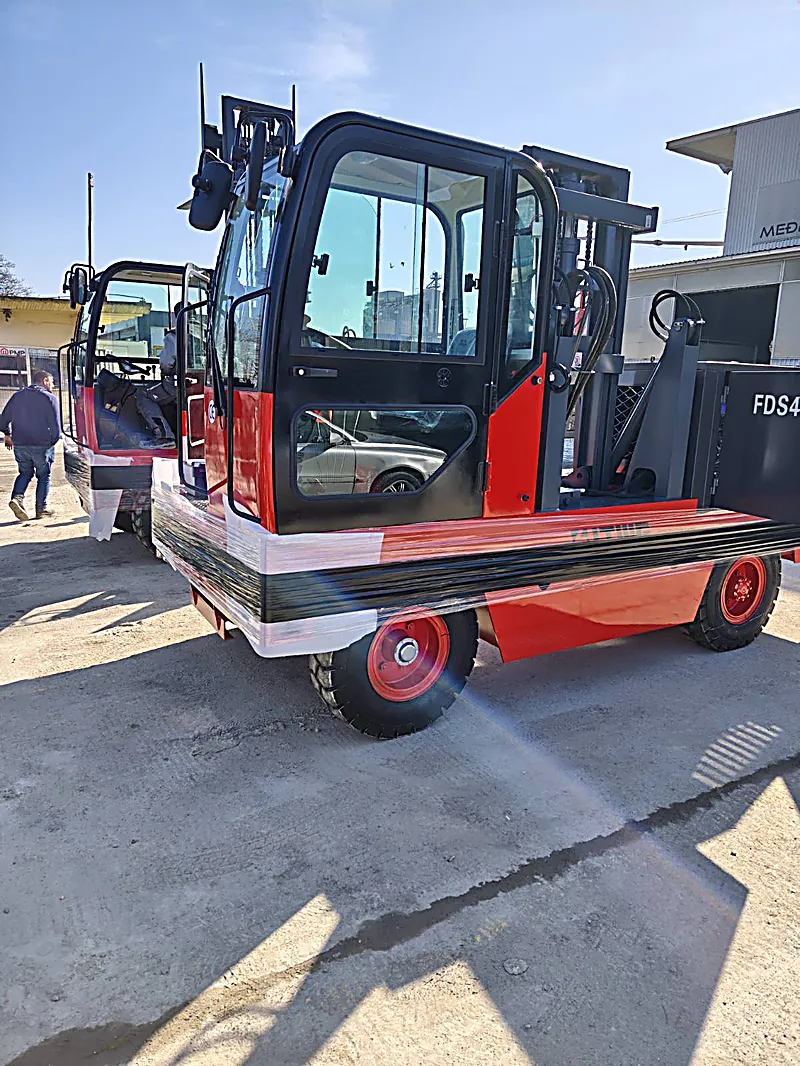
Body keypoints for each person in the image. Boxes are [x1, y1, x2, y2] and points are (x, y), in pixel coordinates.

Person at [1, 369, 62, 521]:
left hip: (20, 443)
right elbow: (56, 427)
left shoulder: (17, 396)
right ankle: (41, 509)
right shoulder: (49, 398)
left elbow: (3, 420)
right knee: (44, 475)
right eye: (52, 382)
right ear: (44, 381)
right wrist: (51, 442)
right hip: (41, 445)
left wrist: (8, 435)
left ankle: (17, 498)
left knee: (25, 473)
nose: (53, 386)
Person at [135, 302, 181, 442]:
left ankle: (164, 435)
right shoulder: (205, 333)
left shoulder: (174, 336)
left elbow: (166, 364)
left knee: (143, 395)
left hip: (176, 385)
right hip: (203, 385)